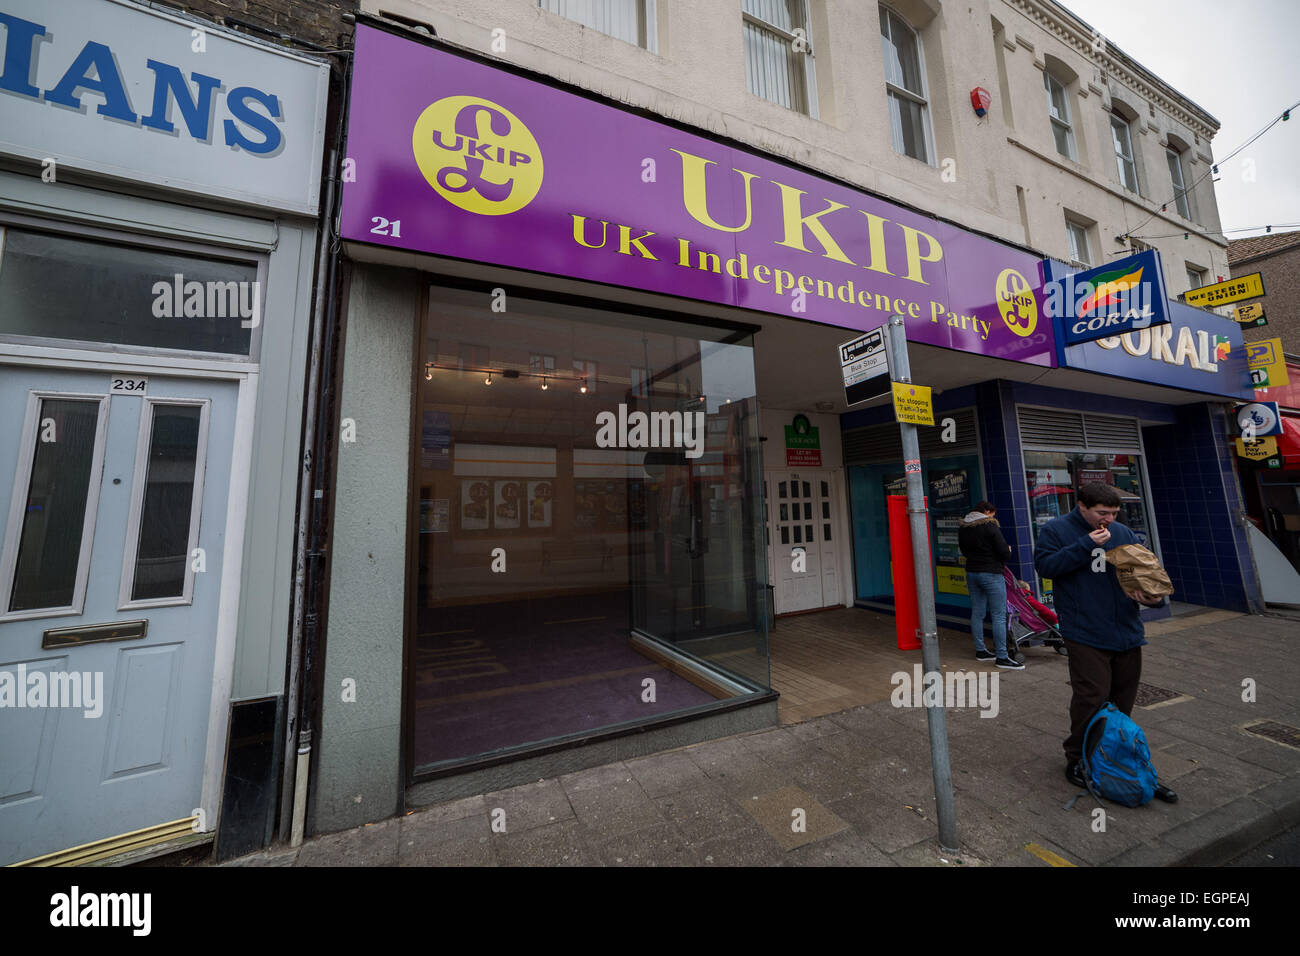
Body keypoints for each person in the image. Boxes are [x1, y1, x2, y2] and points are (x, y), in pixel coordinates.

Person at [1033, 482, 1177, 802]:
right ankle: (1077, 760)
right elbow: (1046, 567)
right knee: (1092, 697)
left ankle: (1119, 759)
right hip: (1084, 632)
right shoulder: (1057, 530)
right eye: (1101, 512)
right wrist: (1085, 544)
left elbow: (1142, 574)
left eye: (1113, 512)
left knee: (1123, 700)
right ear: (1081, 506)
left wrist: (1151, 598)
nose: (1108, 519)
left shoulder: (1123, 532)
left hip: (1126, 630)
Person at [958, 500, 1022, 670]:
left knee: (977, 612)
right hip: (991, 573)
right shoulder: (990, 525)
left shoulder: (964, 527)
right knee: (999, 615)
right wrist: (1007, 551)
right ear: (987, 512)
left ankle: (981, 651)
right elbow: (1003, 552)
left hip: (972, 572)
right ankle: (1002, 656)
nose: (993, 517)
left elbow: (964, 551)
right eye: (992, 514)